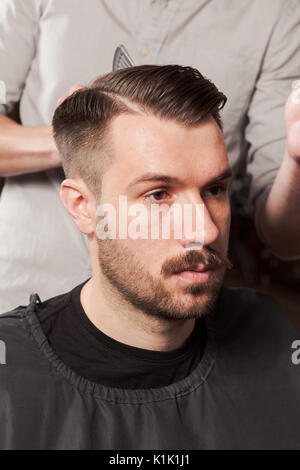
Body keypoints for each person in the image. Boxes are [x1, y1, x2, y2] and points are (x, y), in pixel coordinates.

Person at [0, 65, 299, 450]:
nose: (205, 232)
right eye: (158, 195)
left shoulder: (275, 336)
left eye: (214, 189)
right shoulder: (10, 378)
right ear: (82, 207)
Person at [0, 0, 300, 313]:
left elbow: (285, 239)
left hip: (175, 309)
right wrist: (83, 139)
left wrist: (296, 160)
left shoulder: (276, 12)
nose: (207, 231)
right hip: (26, 284)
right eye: (157, 192)